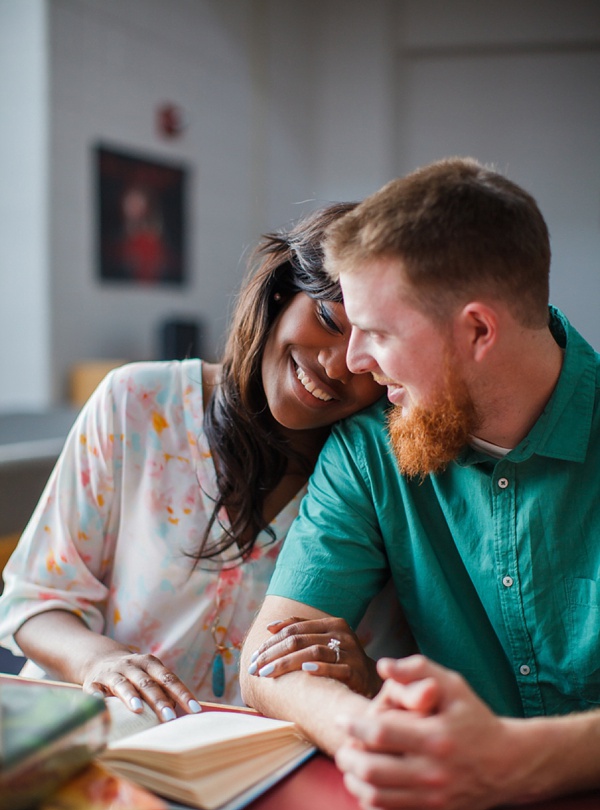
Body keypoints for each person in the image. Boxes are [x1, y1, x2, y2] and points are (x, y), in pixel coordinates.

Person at [240, 157, 600, 810]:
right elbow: (269, 662)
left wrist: (513, 758)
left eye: (375, 332)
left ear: (477, 330)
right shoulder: (371, 448)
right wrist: (367, 736)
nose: (354, 364)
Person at [0, 203, 385, 720]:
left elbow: (388, 669)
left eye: (372, 355)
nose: (337, 365)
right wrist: (101, 660)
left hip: (243, 774)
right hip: (83, 743)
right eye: (325, 319)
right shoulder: (135, 402)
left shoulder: (371, 475)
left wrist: (363, 672)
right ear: (280, 294)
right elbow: (33, 602)